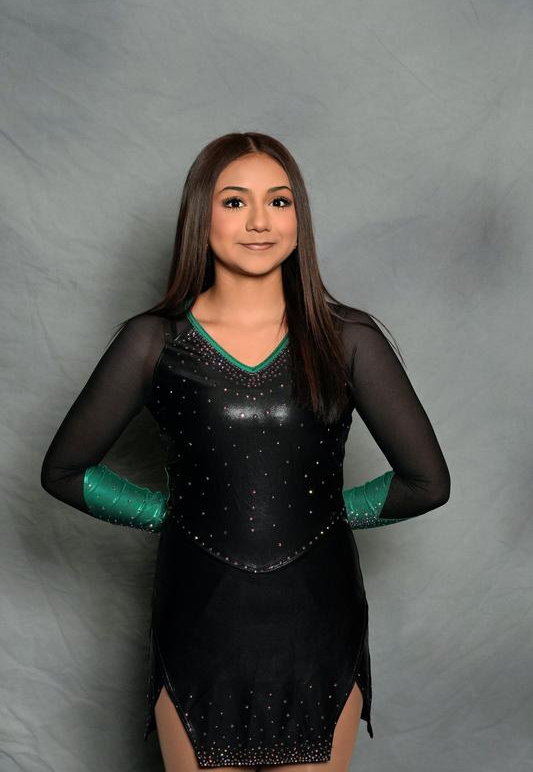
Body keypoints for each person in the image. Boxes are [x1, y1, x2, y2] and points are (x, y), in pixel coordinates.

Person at [40, 132, 451, 772]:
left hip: (318, 624)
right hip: (199, 621)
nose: (260, 221)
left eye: (279, 201)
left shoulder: (347, 338)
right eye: (235, 202)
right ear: (200, 217)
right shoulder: (154, 342)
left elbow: (427, 482)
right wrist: (168, 514)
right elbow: (64, 471)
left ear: (298, 217)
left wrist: (324, 514)